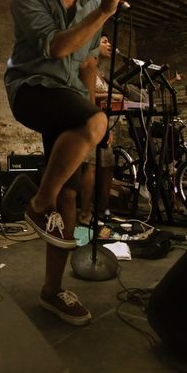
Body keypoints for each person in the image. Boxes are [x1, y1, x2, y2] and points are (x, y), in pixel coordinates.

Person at [5, 0, 126, 326]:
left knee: (71, 197)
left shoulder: (93, 2)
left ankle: (52, 290)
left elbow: (88, 62)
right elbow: (58, 49)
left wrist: (94, 119)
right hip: (31, 89)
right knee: (89, 133)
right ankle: (38, 204)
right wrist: (104, 13)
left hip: (69, 98)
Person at [78, 35, 122, 231]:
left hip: (103, 125)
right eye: (104, 41)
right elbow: (88, 96)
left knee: (107, 167)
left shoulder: (100, 72)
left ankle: (103, 211)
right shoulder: (86, 66)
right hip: (89, 124)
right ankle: (85, 214)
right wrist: (111, 96)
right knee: (92, 167)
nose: (109, 44)